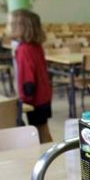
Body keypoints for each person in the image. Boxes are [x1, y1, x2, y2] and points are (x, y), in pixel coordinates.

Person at [10, 9, 53, 143]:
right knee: (43, 129)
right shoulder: (36, 46)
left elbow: (27, 78)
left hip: (34, 98)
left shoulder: (24, 50)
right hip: (44, 94)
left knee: (39, 131)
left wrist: (24, 100)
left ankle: (48, 158)